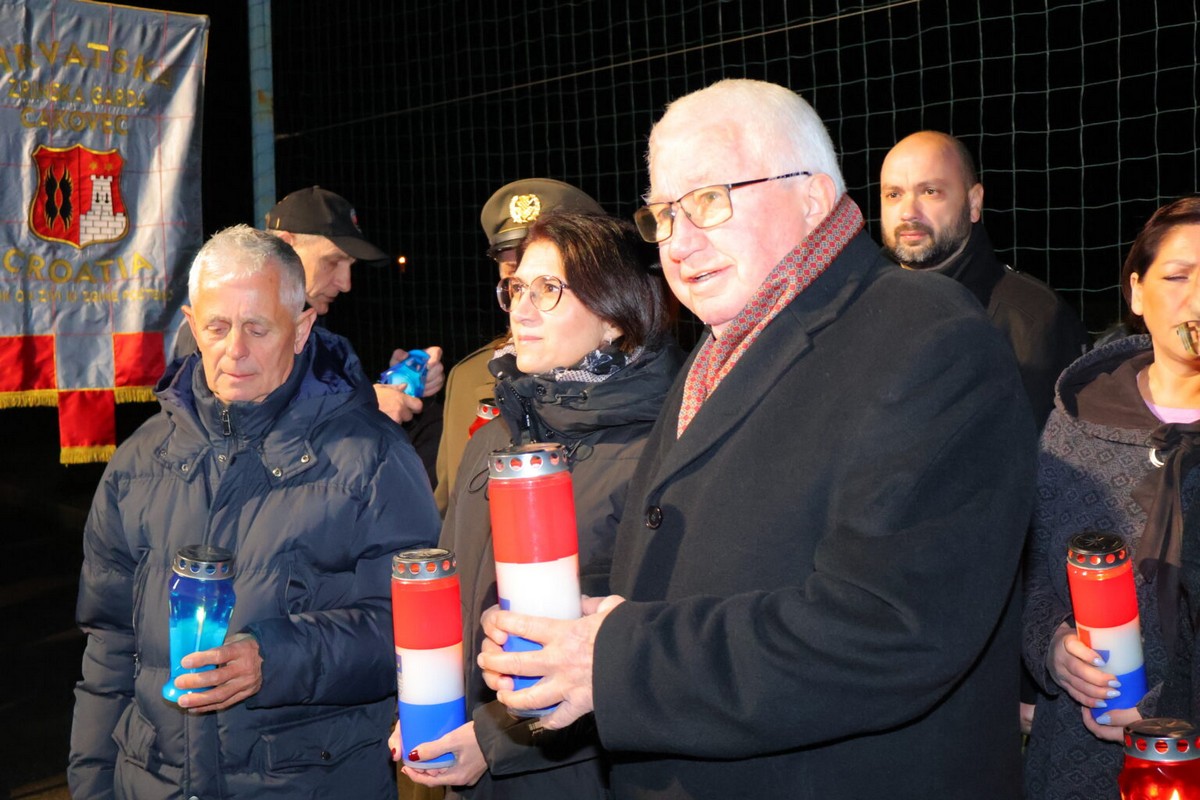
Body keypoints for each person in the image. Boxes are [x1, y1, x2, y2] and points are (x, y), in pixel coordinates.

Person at [475, 79, 1037, 798]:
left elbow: (889, 626)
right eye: (663, 214)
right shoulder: (722, 349)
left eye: (709, 200)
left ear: (814, 197)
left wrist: (615, 661)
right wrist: (581, 626)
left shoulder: (928, 338)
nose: (679, 242)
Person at [68, 225, 441, 799]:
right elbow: (109, 647)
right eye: (216, 327)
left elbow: (416, 631)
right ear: (192, 324)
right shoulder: (138, 461)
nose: (234, 350)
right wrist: (93, 787)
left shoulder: (372, 457)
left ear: (302, 329)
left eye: (258, 328)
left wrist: (277, 658)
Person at [395, 210, 681, 797]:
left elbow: (650, 655)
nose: (521, 310)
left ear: (614, 317)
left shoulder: (656, 454)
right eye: (516, 288)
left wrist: (494, 740)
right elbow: (457, 600)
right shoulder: (494, 438)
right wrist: (433, 710)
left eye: (548, 289)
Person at [1023, 196, 1200, 799]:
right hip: (1077, 754)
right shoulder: (1078, 422)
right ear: (1137, 293)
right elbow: (1030, 576)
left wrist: (1170, 706)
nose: (1196, 300)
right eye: (1176, 276)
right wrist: (1052, 649)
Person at [171, 186, 446, 428]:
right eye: (332, 262)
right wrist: (363, 408)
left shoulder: (313, 325)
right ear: (286, 245)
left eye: (351, 266)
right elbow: (219, 428)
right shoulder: (214, 320)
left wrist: (397, 383)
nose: (346, 283)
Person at [879, 130, 1089, 428]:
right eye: (894, 195)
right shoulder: (852, 308)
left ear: (974, 202)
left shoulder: (1035, 321)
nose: (908, 213)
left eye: (930, 191)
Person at [433, 179, 605, 515]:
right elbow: (449, 511)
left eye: (548, 281)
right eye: (515, 275)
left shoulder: (640, 390)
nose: (526, 296)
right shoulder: (467, 379)